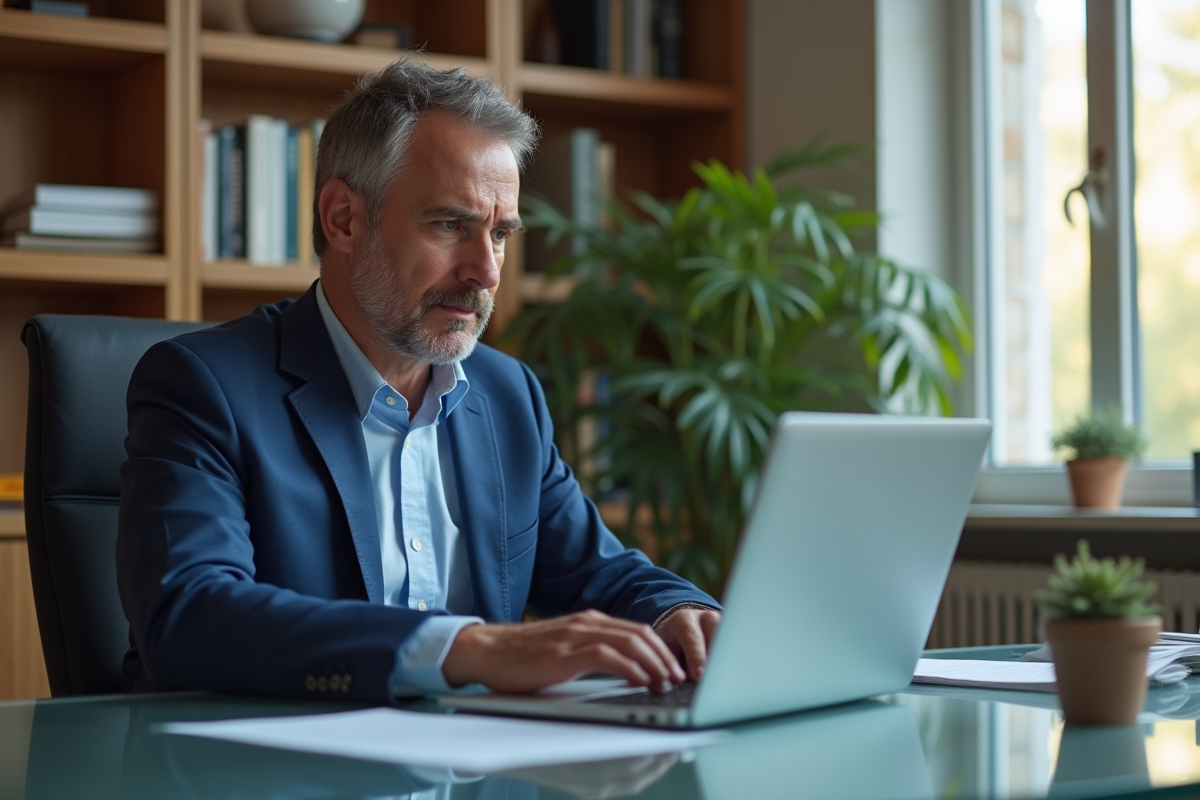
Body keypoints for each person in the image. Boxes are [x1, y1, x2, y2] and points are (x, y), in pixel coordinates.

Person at [116, 57, 720, 705]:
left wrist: (677, 612)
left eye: (501, 234)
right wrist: (464, 648)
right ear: (342, 218)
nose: (486, 271)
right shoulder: (204, 387)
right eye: (451, 225)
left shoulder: (508, 395)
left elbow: (594, 570)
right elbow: (189, 614)